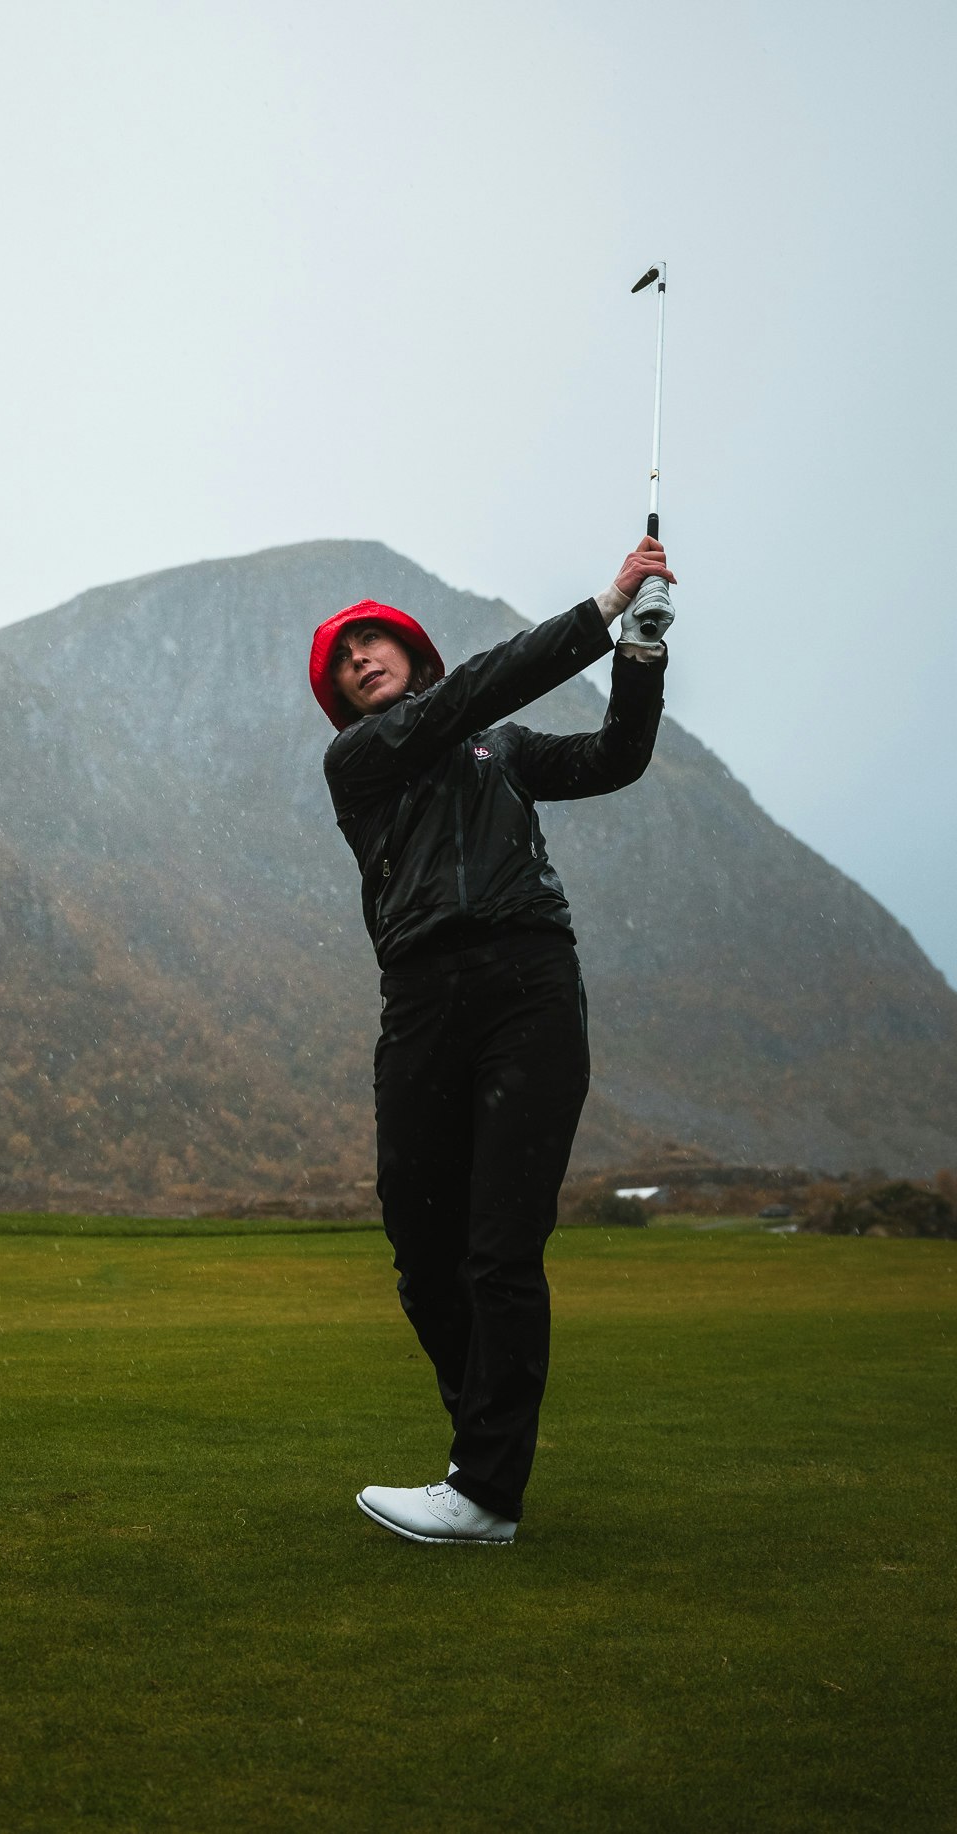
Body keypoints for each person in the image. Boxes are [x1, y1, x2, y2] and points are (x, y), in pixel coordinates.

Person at [309, 537, 673, 1545]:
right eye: (343, 660)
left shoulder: (497, 750)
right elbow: (473, 692)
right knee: (424, 1260)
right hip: (422, 1000)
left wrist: (638, 654)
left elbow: (613, 759)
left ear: (412, 654)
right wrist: (601, 606)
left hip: (527, 984)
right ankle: (479, 1457)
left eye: (374, 641)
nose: (360, 658)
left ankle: (484, 1489)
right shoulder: (359, 760)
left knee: (498, 1249)